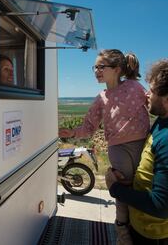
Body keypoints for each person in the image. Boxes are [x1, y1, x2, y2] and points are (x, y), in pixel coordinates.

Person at [105, 58, 168, 245]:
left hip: (157, 235)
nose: (146, 94)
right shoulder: (166, 122)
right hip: (147, 227)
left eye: (151, 90)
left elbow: (160, 206)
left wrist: (115, 188)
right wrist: (130, 184)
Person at [59, 49, 150, 245]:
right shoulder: (101, 97)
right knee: (122, 190)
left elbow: (154, 104)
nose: (96, 71)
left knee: (144, 187)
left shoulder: (134, 86)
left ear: (117, 69)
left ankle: (144, 232)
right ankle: (124, 235)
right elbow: (89, 127)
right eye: (95, 67)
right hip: (118, 149)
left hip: (143, 144)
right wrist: (72, 133)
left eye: (101, 67)